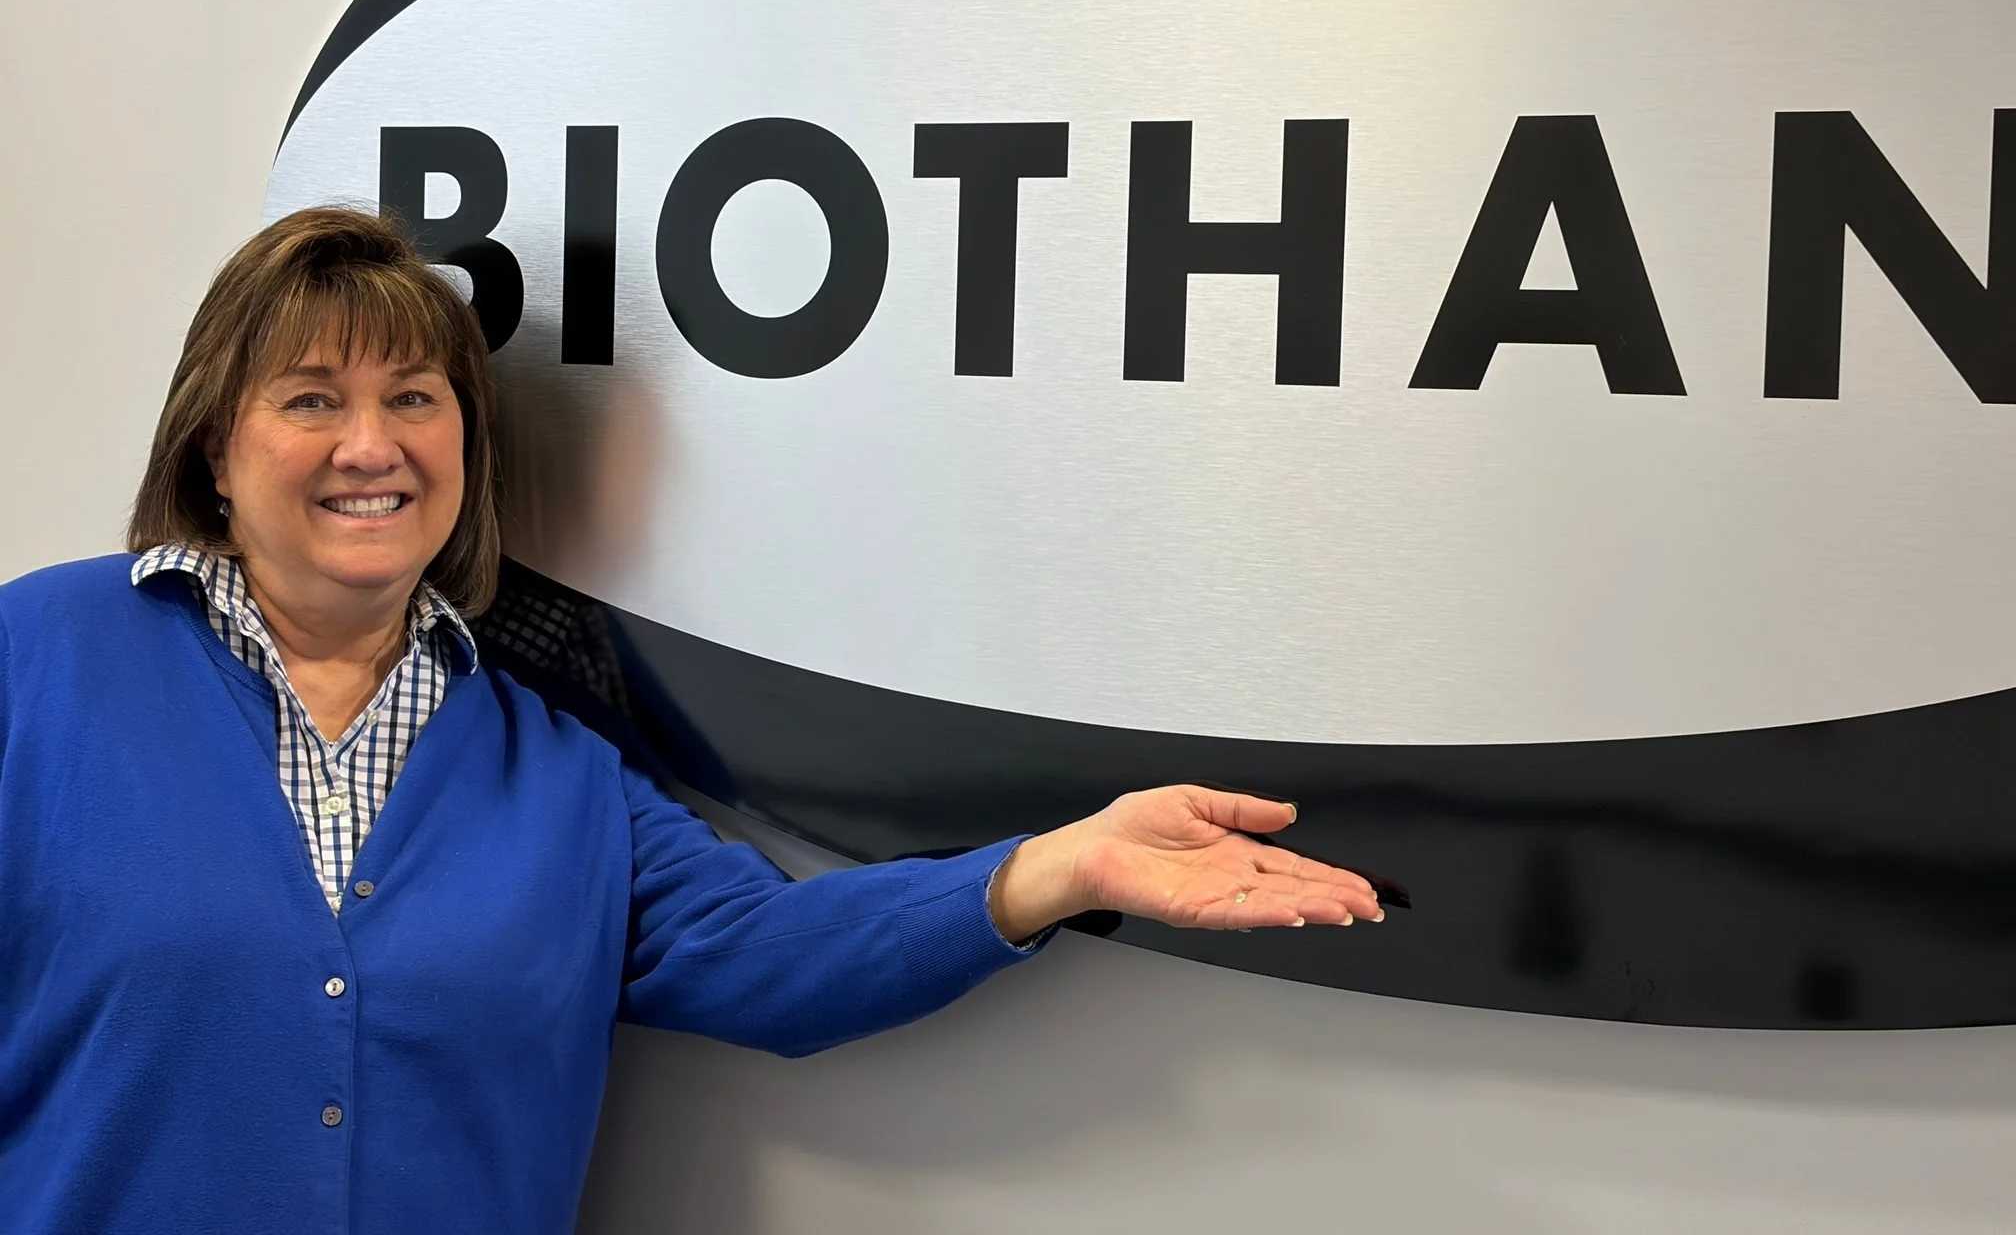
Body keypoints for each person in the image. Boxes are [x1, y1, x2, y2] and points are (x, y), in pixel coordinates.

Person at [0, 208, 1384, 1235]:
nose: (374, 446)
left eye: (415, 400)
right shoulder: (42, 660)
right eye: (313, 401)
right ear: (214, 449)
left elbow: (772, 957)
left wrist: (1058, 869)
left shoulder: (547, 771)